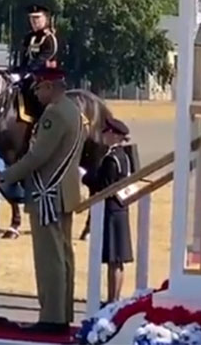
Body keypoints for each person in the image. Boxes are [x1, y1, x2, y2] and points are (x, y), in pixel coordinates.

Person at [0, 67, 84, 334]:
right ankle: (61, 314)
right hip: (63, 191)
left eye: (39, 88)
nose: (37, 94)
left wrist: (3, 176)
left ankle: (51, 318)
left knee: (49, 257)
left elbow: (36, 157)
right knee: (63, 255)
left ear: (49, 86)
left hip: (47, 193)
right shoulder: (73, 110)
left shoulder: (54, 113)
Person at [82, 117, 134, 303]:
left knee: (114, 259)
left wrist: (85, 177)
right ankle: (114, 298)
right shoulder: (124, 156)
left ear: (113, 135)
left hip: (111, 211)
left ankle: (113, 298)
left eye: (106, 132)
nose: (104, 135)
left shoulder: (112, 159)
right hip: (120, 209)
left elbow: (104, 185)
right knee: (117, 260)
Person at [14, 4, 60, 121]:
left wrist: (29, 71)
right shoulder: (28, 37)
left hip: (47, 77)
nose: (34, 22)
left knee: (36, 94)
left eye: (37, 18)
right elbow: (24, 58)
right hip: (30, 75)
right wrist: (19, 72)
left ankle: (41, 122)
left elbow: (43, 58)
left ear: (46, 19)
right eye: (31, 18)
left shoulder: (49, 39)